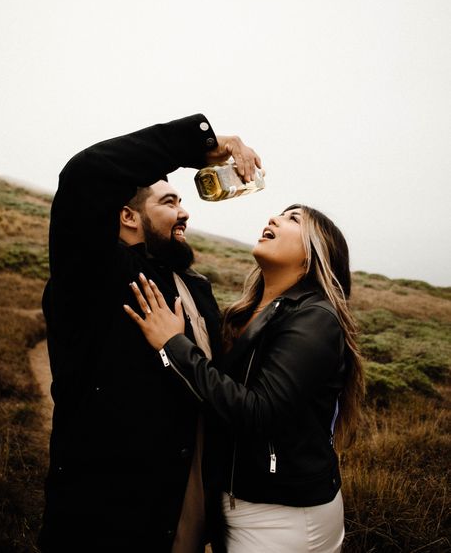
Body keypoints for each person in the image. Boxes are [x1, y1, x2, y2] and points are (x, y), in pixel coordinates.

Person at [37, 114, 262, 553]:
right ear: (128, 216)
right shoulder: (95, 274)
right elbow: (85, 174)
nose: (185, 212)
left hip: (186, 505)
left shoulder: (195, 286)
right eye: (169, 201)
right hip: (106, 515)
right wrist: (198, 145)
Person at [125, 203, 365, 553]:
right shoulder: (246, 313)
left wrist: (173, 345)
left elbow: (258, 412)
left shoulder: (316, 318)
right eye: (281, 213)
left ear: (315, 253)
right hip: (237, 501)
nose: (274, 218)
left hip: (285, 516)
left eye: (293, 219)